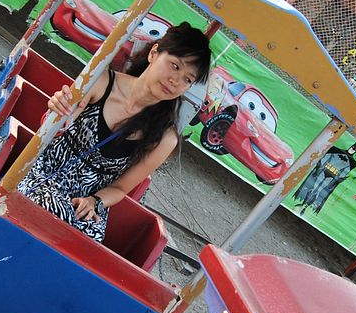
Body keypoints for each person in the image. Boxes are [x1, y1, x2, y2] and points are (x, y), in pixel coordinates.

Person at [17, 23, 211, 242]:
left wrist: (94, 201)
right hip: (46, 171)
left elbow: (120, 188)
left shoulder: (165, 137)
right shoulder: (101, 81)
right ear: (154, 53)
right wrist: (59, 106)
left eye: (187, 80)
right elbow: (58, 124)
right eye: (175, 66)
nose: (176, 81)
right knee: (46, 208)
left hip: (85, 203)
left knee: (85, 241)